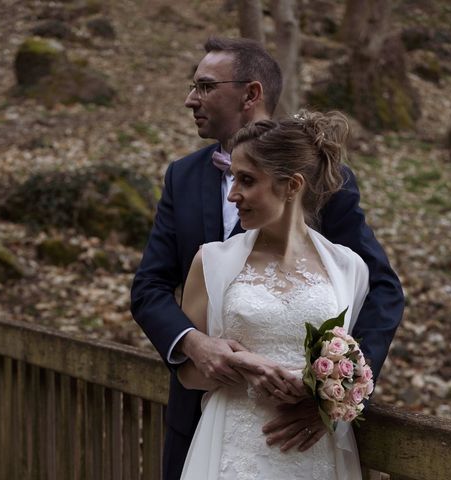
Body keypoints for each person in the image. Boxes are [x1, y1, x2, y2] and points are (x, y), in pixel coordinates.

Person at [130, 37, 404, 480]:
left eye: (204, 86)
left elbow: (383, 291)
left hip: (306, 433)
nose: (190, 99)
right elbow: (149, 288)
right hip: (204, 419)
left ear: (250, 93)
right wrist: (195, 345)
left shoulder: (324, 179)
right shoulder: (182, 176)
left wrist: (337, 394)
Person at [179, 110, 367, 479]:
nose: (233, 194)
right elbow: (187, 372)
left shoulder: (348, 269)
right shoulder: (211, 262)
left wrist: (321, 391)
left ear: (292, 185)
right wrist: (244, 366)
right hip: (233, 449)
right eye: (233, 179)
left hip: (313, 454)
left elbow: (353, 367)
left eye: (247, 180)